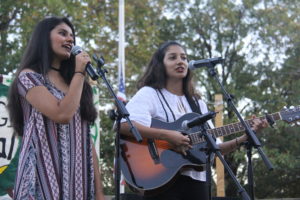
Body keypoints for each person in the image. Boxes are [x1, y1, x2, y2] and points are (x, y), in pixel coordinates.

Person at [120, 41, 268, 200]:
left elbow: (215, 148)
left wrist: (245, 138)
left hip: (197, 184)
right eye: (172, 57)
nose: (180, 61)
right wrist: (167, 135)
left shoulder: (197, 103)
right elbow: (123, 125)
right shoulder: (150, 94)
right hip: (159, 177)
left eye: (184, 58)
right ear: (160, 65)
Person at [7, 16, 105, 200]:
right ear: (44, 38)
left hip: (78, 183)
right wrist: (79, 72)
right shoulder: (29, 77)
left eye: (72, 36)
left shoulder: (78, 85)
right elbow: (62, 114)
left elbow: (86, 139)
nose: (70, 39)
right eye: (62, 33)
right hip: (40, 179)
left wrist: (99, 192)